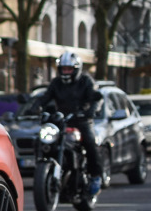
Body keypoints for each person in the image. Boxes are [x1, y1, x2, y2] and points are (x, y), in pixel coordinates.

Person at [28, 51, 105, 195]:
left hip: (81, 120)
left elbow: (96, 98)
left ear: (76, 69)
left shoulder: (86, 81)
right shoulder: (56, 83)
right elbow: (46, 97)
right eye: (64, 69)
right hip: (61, 120)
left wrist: (90, 111)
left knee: (90, 142)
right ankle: (42, 167)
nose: (66, 72)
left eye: (69, 69)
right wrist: (36, 107)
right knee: (41, 140)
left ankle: (95, 176)